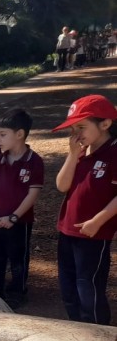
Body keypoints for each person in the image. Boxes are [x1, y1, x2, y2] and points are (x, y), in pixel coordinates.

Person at [53, 95, 117, 325]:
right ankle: (78, 327)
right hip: (68, 229)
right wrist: (72, 155)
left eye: (81, 127)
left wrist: (98, 221)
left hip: (93, 234)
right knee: (68, 285)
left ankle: (99, 331)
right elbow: (62, 186)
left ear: (105, 123)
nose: (76, 133)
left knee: (88, 286)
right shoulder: (81, 152)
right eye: (72, 128)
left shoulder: (114, 152)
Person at [0, 109, 43, 306]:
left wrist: (14, 217)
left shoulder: (34, 161)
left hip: (19, 221)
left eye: (2, 135)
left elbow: (32, 194)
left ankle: (17, 291)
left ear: (20, 134)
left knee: (18, 257)